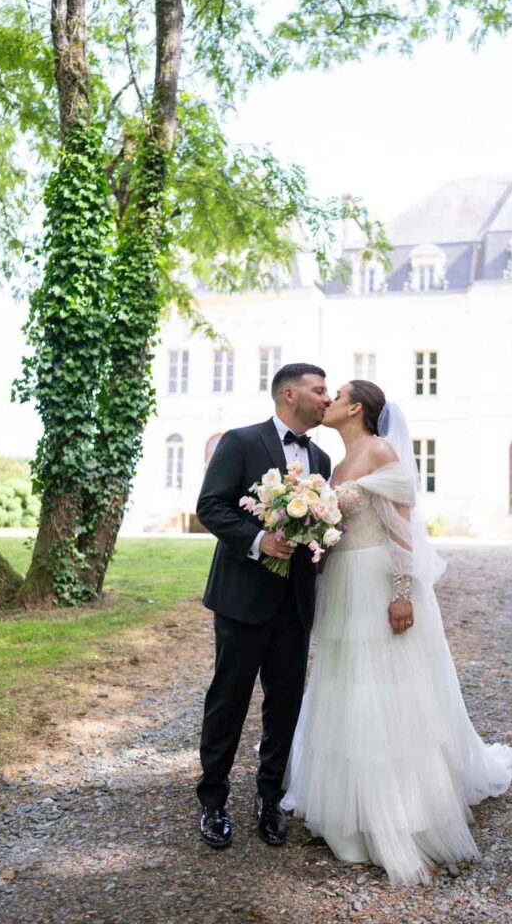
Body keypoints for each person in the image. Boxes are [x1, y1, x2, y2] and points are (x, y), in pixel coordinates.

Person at [283, 380, 512, 885]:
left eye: (336, 395)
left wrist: (402, 592)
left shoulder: (380, 451)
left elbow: (401, 530)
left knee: (384, 687)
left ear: (356, 408)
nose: (328, 401)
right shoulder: (337, 463)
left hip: (376, 581)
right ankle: (348, 809)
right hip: (343, 580)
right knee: (345, 684)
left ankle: (395, 814)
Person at [195, 363, 332, 849]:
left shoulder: (321, 458)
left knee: (285, 703)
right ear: (290, 395)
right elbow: (211, 506)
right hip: (242, 598)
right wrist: (258, 541)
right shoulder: (240, 441)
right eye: (320, 390)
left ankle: (270, 797)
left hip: (295, 603)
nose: (327, 398)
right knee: (228, 699)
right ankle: (212, 800)